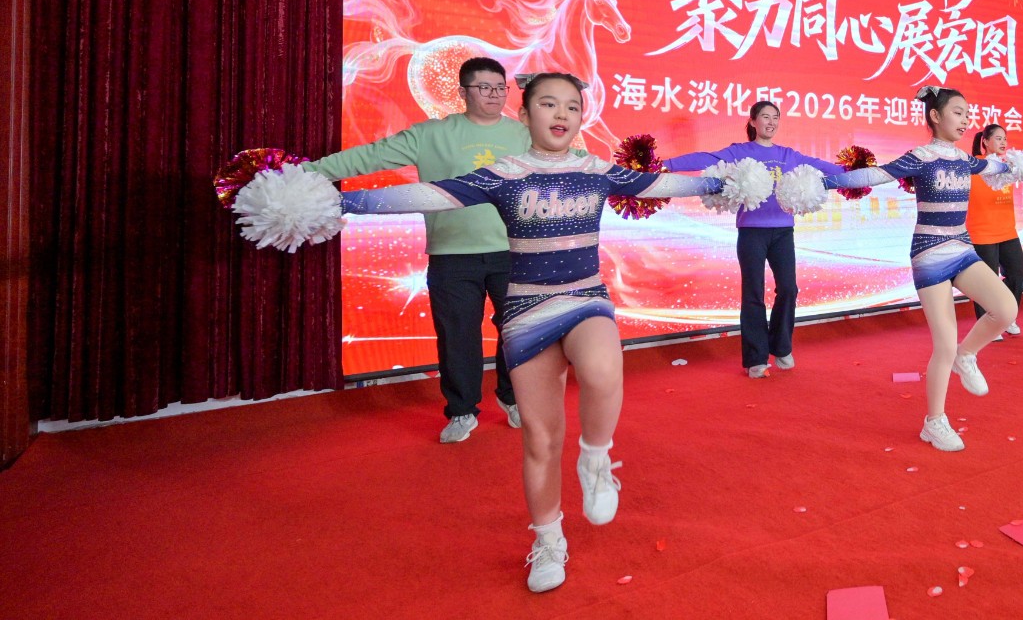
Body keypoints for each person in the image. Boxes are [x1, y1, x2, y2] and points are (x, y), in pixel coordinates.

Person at [285, 72, 768, 593]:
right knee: (540, 438)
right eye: (548, 104)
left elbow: (666, 185)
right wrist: (336, 203)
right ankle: (548, 540)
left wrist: (732, 182)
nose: (561, 114)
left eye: (572, 106)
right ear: (524, 115)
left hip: (585, 297)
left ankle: (596, 459)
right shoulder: (502, 174)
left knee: (604, 369)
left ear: (581, 117)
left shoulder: (596, 169)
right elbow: (425, 195)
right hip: (525, 310)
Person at [779, 86, 1023, 452]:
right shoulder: (920, 157)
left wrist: (1021, 165)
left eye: (967, 114)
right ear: (935, 116)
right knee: (943, 345)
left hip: (962, 248)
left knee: (1006, 309)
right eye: (958, 112)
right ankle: (934, 422)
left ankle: (967, 354)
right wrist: (821, 183)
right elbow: (872, 177)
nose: (965, 120)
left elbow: (996, 166)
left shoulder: (965, 159)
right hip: (929, 253)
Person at [307, 57, 529, 444]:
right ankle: (462, 411)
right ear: (462, 92)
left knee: (520, 331)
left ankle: (513, 398)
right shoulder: (430, 135)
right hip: (452, 255)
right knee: (457, 335)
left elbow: (569, 163)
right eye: (484, 87)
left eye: (500, 88)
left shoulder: (524, 135)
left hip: (514, 252)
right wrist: (303, 173)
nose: (494, 95)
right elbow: (366, 156)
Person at [661, 101, 846, 378]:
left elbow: (822, 167)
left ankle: (781, 346)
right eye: (765, 117)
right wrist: (666, 165)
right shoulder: (739, 152)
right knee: (753, 293)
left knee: (789, 289)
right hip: (751, 232)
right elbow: (706, 158)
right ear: (752, 122)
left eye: (775, 117)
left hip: (783, 232)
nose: (771, 122)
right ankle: (756, 358)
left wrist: (859, 173)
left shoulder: (788, 155)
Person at [966, 124, 1023, 338]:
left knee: (1017, 274)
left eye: (1005, 138)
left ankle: (1006, 316)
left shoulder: (1009, 166)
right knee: (987, 281)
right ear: (985, 141)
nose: (1003, 142)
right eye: (998, 138)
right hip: (982, 233)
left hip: (1008, 231)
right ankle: (988, 323)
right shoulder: (974, 165)